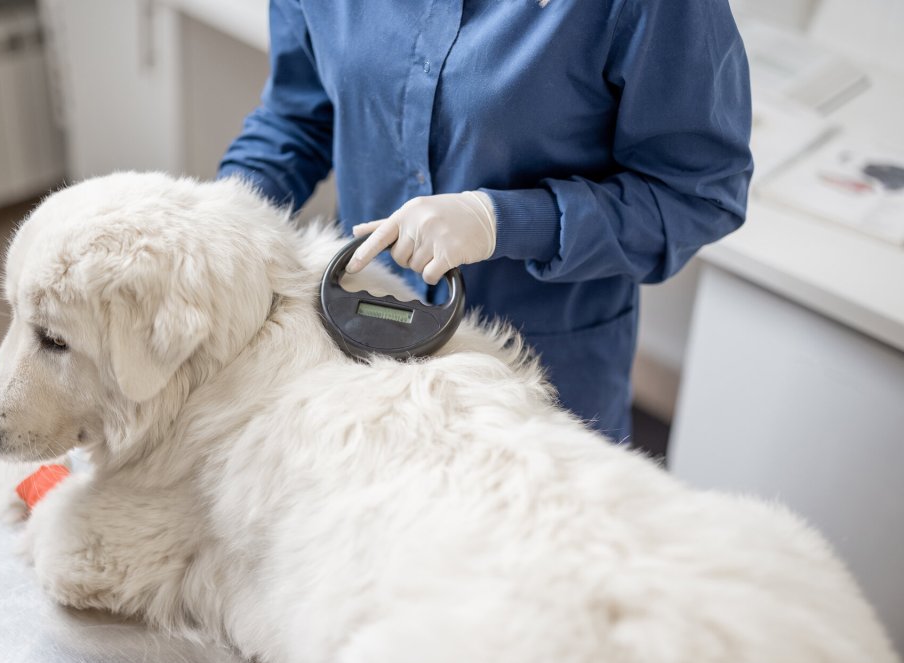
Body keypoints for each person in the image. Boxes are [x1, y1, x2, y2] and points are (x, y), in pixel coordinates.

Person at [218, 0, 753, 443]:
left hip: (538, 380)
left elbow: (697, 194)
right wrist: (220, 217)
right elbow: (297, 116)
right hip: (357, 351)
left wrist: (505, 221)